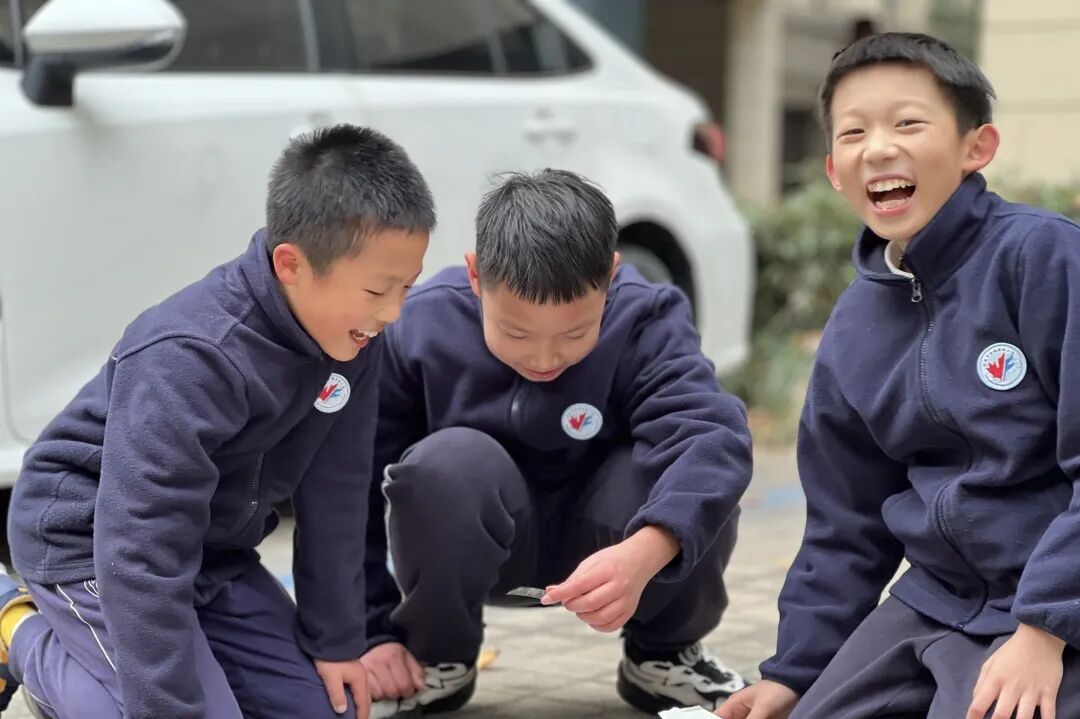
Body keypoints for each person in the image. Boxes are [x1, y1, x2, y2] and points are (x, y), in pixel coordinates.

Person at [0, 124, 435, 719]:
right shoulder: (191, 355)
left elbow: (337, 494)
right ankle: (20, 631)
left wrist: (336, 642)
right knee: (152, 706)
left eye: (407, 287)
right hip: (93, 546)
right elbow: (140, 545)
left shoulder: (354, 340)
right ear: (291, 264)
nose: (394, 313)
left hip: (212, 553)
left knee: (321, 710)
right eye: (377, 291)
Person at [717, 32, 1080, 719]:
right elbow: (844, 523)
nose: (879, 148)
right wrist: (793, 672)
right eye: (854, 132)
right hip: (937, 600)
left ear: (977, 147)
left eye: (908, 123)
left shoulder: (1043, 258)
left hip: (1055, 602)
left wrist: (1044, 628)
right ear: (834, 170)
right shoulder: (854, 324)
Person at [358, 169, 752, 717]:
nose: (544, 359)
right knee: (443, 466)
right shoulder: (420, 325)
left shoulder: (646, 317)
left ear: (610, 276)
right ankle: (437, 658)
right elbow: (347, 484)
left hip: (620, 549)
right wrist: (370, 633)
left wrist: (651, 547)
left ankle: (665, 656)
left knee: (689, 469)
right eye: (516, 333)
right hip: (485, 547)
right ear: (475, 276)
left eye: (575, 333)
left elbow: (714, 437)